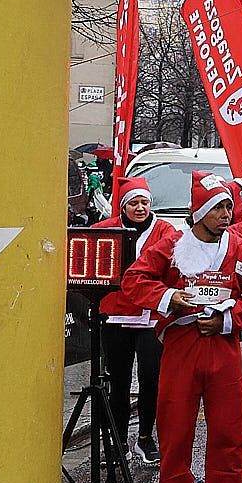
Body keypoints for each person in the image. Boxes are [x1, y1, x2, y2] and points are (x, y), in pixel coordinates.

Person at [119, 173, 242, 483]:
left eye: (229, 207)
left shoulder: (239, 248)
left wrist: (226, 320)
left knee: (229, 433)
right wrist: (170, 297)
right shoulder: (172, 245)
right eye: (218, 207)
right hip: (181, 345)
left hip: (223, 346)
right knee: (175, 432)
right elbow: (133, 280)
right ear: (200, 211)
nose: (226, 214)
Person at [94, 177, 177, 465]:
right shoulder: (105, 230)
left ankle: (144, 438)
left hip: (150, 315)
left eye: (144, 202)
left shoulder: (166, 231)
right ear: (123, 206)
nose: (140, 208)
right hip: (116, 316)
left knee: (150, 378)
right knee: (117, 382)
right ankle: (118, 443)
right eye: (133, 203)